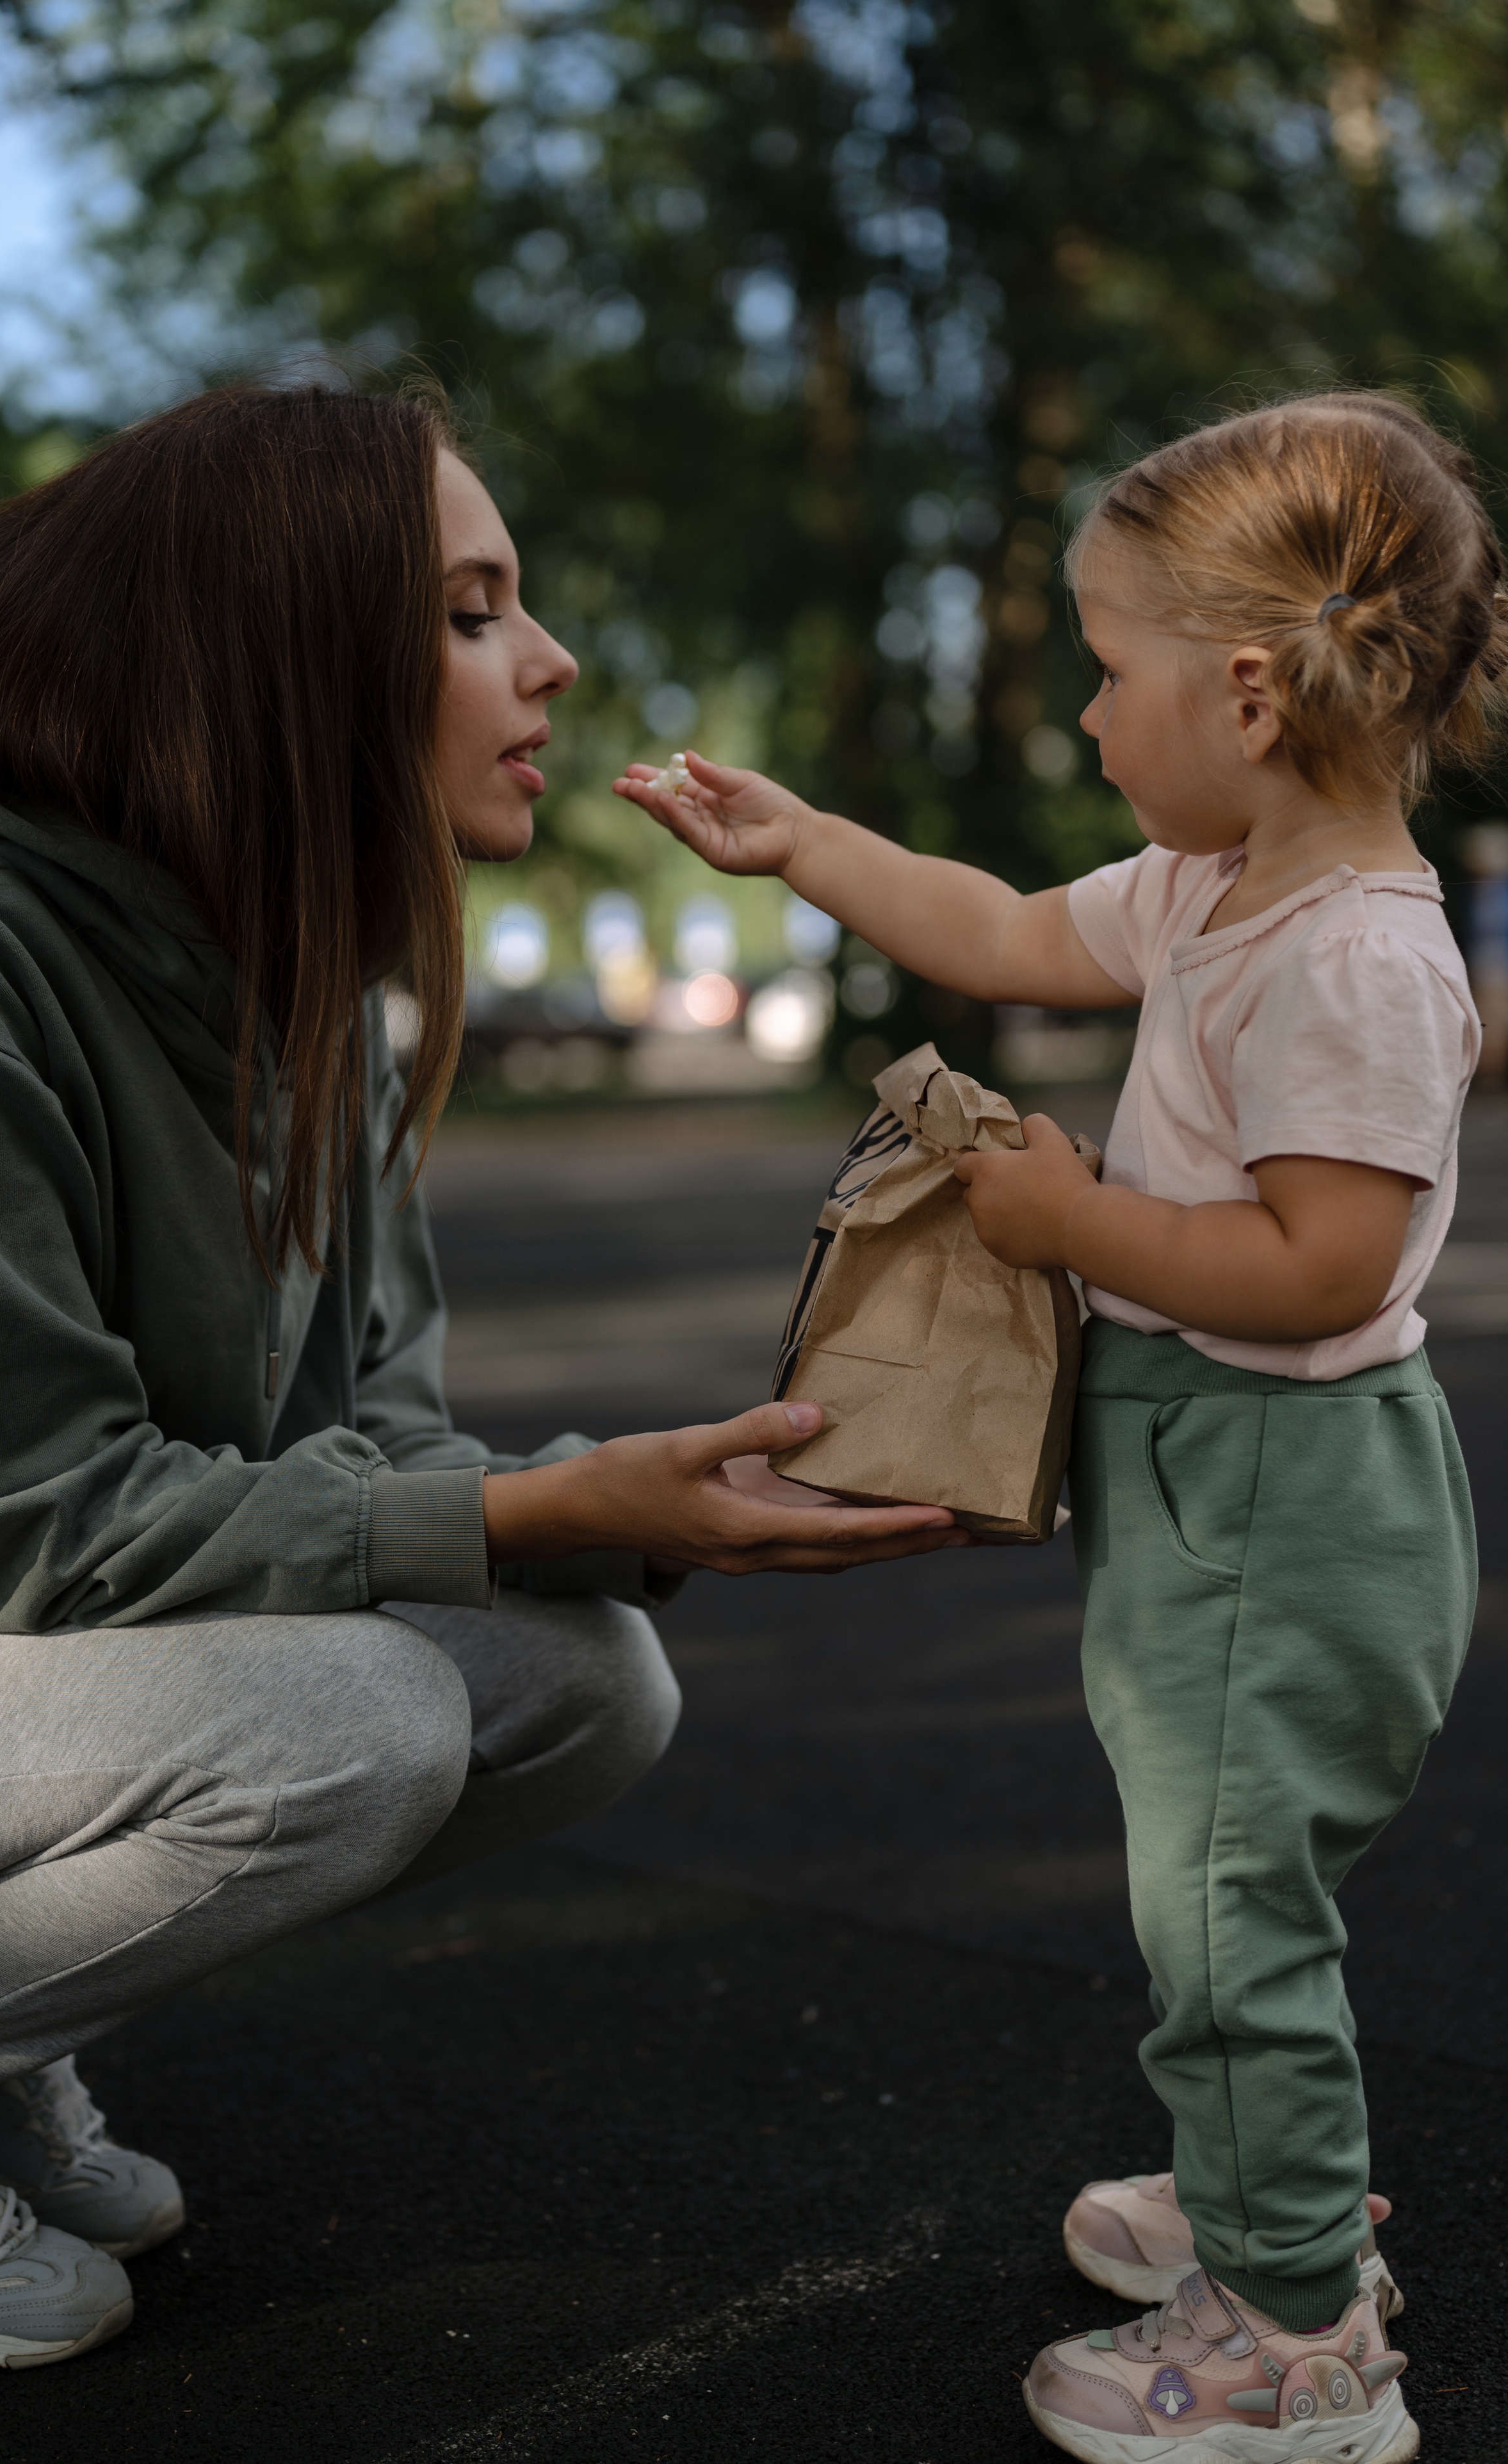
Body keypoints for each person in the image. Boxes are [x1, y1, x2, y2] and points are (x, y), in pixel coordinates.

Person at [0, 379, 968, 2378]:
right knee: (358, 1716)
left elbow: (367, 1440)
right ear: (273, 654)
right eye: (472, 613)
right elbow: (27, 1519)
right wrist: (534, 1509)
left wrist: (643, 1501)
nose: (547, 664)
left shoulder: (323, 999)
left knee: (580, 1681)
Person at [619, 389, 1496, 2463]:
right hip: (1223, 1478)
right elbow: (1006, 929)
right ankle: (1255, 2193)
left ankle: (1296, 2347)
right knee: (1218, 1879)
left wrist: (1071, 1212)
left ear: (1256, 693)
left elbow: (1329, 1265)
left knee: (1223, 1902)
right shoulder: (1215, 883)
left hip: (1286, 1489)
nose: (1091, 719)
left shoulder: (1356, 955)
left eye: (1112, 675)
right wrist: (804, 846)